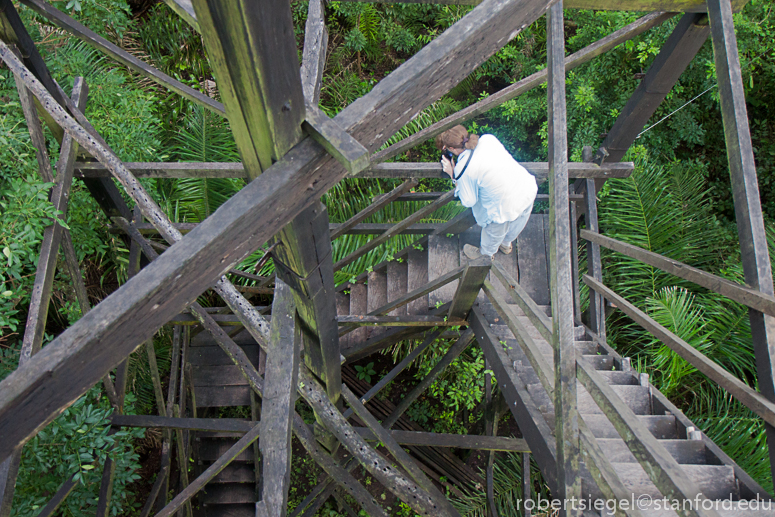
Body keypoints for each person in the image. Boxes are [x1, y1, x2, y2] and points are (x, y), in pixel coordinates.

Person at [437, 125, 537, 259]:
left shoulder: (462, 168)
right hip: (525, 188)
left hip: (503, 206)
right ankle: (506, 244)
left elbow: (468, 200)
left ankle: (485, 255)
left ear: (452, 149)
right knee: (518, 221)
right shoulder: (488, 139)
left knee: (493, 234)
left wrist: (453, 175)